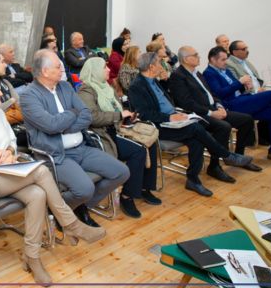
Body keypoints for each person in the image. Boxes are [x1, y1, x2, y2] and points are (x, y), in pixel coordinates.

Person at [0, 73, 105, 284]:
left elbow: (11, 141)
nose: (0, 94)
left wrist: (8, 152)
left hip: (7, 173)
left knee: (37, 194)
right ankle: (71, 224)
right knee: (41, 172)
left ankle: (31, 257)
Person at [20, 49, 130, 227]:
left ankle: (77, 207)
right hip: (56, 155)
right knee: (85, 188)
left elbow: (86, 115)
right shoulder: (29, 96)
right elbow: (51, 125)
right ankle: (59, 211)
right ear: (45, 71)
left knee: (121, 172)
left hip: (81, 147)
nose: (62, 69)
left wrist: (63, 126)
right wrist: (72, 113)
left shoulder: (65, 86)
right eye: (58, 66)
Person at [127, 52, 254, 197]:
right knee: (195, 128)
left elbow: (166, 102)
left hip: (174, 119)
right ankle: (226, 155)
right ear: (151, 67)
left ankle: (193, 180)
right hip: (158, 126)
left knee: (196, 140)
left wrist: (178, 113)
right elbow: (144, 114)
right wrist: (170, 117)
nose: (162, 66)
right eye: (159, 63)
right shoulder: (137, 86)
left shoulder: (154, 81)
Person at [78, 57, 160, 219]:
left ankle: (145, 188)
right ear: (95, 71)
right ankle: (127, 196)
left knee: (150, 142)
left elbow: (119, 110)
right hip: (102, 135)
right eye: (104, 67)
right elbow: (92, 117)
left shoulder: (107, 88)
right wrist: (119, 116)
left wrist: (128, 118)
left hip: (117, 129)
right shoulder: (86, 91)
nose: (109, 70)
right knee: (138, 151)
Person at [168, 46, 262, 180]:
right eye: (195, 55)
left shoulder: (197, 73)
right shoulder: (178, 76)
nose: (199, 57)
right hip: (198, 114)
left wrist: (219, 106)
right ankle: (214, 166)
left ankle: (238, 157)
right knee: (223, 127)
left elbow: (211, 93)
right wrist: (211, 113)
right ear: (186, 59)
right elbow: (186, 103)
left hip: (213, 109)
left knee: (246, 119)